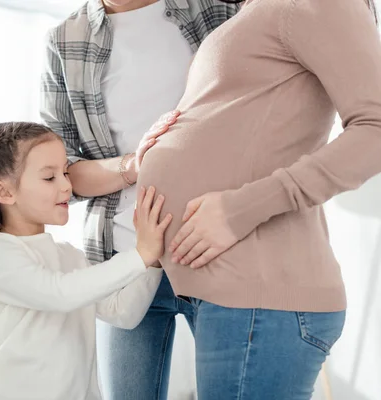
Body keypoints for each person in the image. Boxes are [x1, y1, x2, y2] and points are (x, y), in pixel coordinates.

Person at [136, 0, 381, 398]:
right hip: (229, 291)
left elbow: (376, 131)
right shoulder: (258, 9)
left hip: (261, 300)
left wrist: (237, 211)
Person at [40, 1, 240, 398]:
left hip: (217, 248)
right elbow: (61, 169)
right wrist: (135, 164)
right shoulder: (65, 38)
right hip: (123, 262)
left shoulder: (214, 7)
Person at [0, 121, 173, 400]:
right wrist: (140, 254)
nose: (67, 185)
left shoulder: (69, 255)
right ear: (4, 192)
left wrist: (153, 260)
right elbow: (61, 293)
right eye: (49, 177)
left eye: (66, 172)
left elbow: (123, 313)